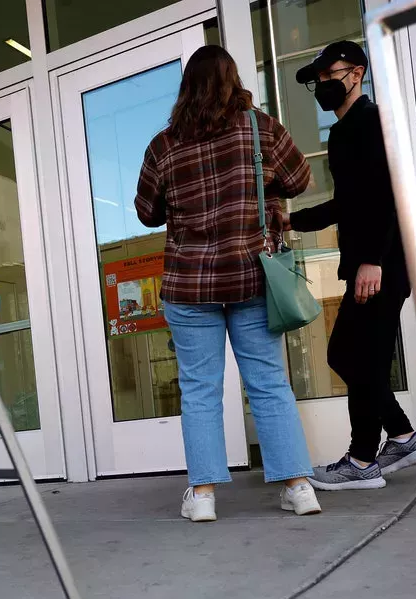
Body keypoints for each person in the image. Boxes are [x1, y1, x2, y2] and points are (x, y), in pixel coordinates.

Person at [135, 45, 320, 522]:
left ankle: (202, 496)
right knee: (267, 381)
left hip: (189, 283)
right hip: (251, 276)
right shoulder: (260, 128)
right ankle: (299, 487)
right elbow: (302, 179)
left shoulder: (163, 145)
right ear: (233, 79)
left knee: (199, 388)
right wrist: (263, 187)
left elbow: (147, 212)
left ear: (187, 88)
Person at [288, 41, 416, 491]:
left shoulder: (371, 122)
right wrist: (290, 219)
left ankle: (362, 458)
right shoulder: (344, 131)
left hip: (380, 265)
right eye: (318, 80)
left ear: (356, 73)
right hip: (367, 264)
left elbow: (392, 195)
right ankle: (402, 437)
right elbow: (348, 203)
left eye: (329, 75)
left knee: (358, 358)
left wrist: (373, 259)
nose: (322, 86)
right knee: (354, 357)